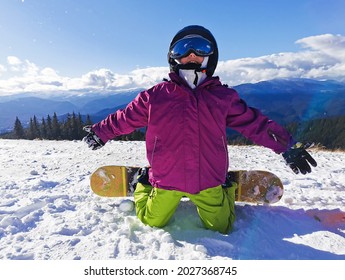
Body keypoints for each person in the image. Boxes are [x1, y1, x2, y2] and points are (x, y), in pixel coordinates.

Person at [83, 25, 317, 234]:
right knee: (151, 221)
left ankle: (225, 186)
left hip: (209, 179)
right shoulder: (155, 96)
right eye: (183, 49)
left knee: (223, 227)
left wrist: (286, 145)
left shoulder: (223, 97)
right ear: (173, 57)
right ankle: (145, 181)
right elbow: (125, 118)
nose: (192, 55)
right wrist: (100, 132)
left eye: (200, 48)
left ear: (210, 56)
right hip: (166, 178)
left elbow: (255, 124)